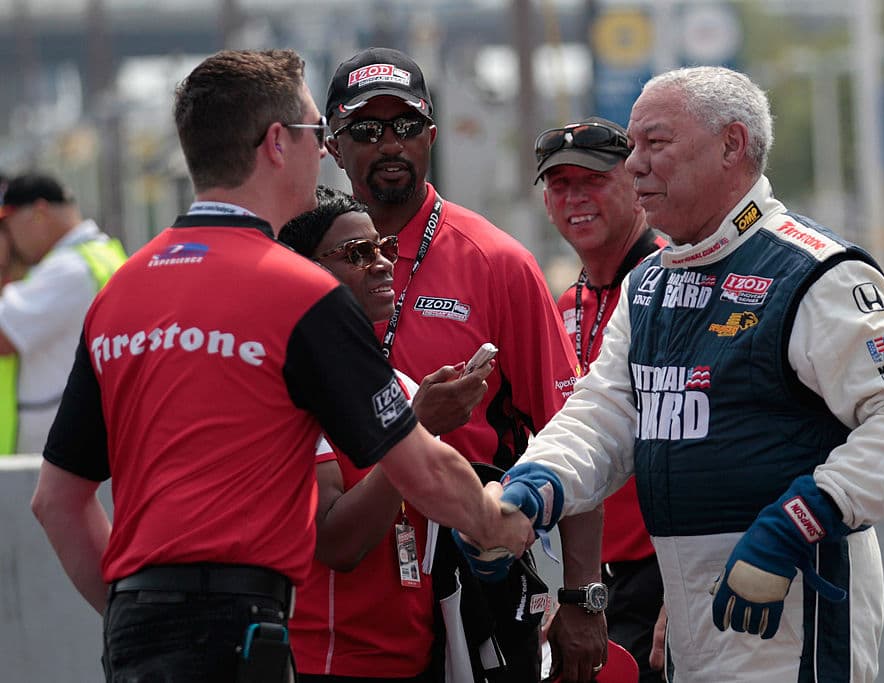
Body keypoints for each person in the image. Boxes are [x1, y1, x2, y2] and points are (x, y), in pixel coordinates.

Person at [29, 49, 532, 683]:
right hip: (245, 628)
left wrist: (132, 616)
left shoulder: (121, 291)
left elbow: (57, 502)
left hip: (134, 629)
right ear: (276, 143)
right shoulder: (300, 292)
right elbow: (421, 466)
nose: (324, 152)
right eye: (316, 134)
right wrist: (496, 523)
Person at [490, 66, 884, 683]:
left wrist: (794, 523)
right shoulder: (650, 281)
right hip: (688, 609)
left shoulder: (817, 273)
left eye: (655, 144)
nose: (634, 165)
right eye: (632, 147)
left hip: (793, 596)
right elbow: (605, 413)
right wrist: (532, 487)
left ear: (732, 145)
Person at [323, 47, 582, 681]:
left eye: (406, 126)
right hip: (345, 590)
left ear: (431, 137)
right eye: (366, 129)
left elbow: (575, 434)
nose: (390, 144)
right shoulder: (301, 265)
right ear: (333, 145)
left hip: (476, 578)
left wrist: (582, 595)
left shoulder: (497, 262)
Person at [278, 186, 493, 682]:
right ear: (306, 269)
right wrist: (416, 429)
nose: (380, 264)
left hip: (415, 661)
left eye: (383, 248)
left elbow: (453, 503)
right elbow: (336, 542)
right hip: (328, 667)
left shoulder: (400, 385)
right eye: (357, 254)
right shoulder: (296, 390)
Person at [534, 116, 668, 683]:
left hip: (669, 572)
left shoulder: (676, 282)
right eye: (559, 185)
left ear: (634, 182)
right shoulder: (569, 301)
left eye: (592, 180)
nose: (575, 198)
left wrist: (690, 590)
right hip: (591, 579)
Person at [0, 173, 126, 454]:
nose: (9, 238)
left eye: (8, 225)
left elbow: (4, 336)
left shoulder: (68, 269)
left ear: (39, 213)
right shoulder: (97, 254)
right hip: (80, 433)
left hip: (57, 446)